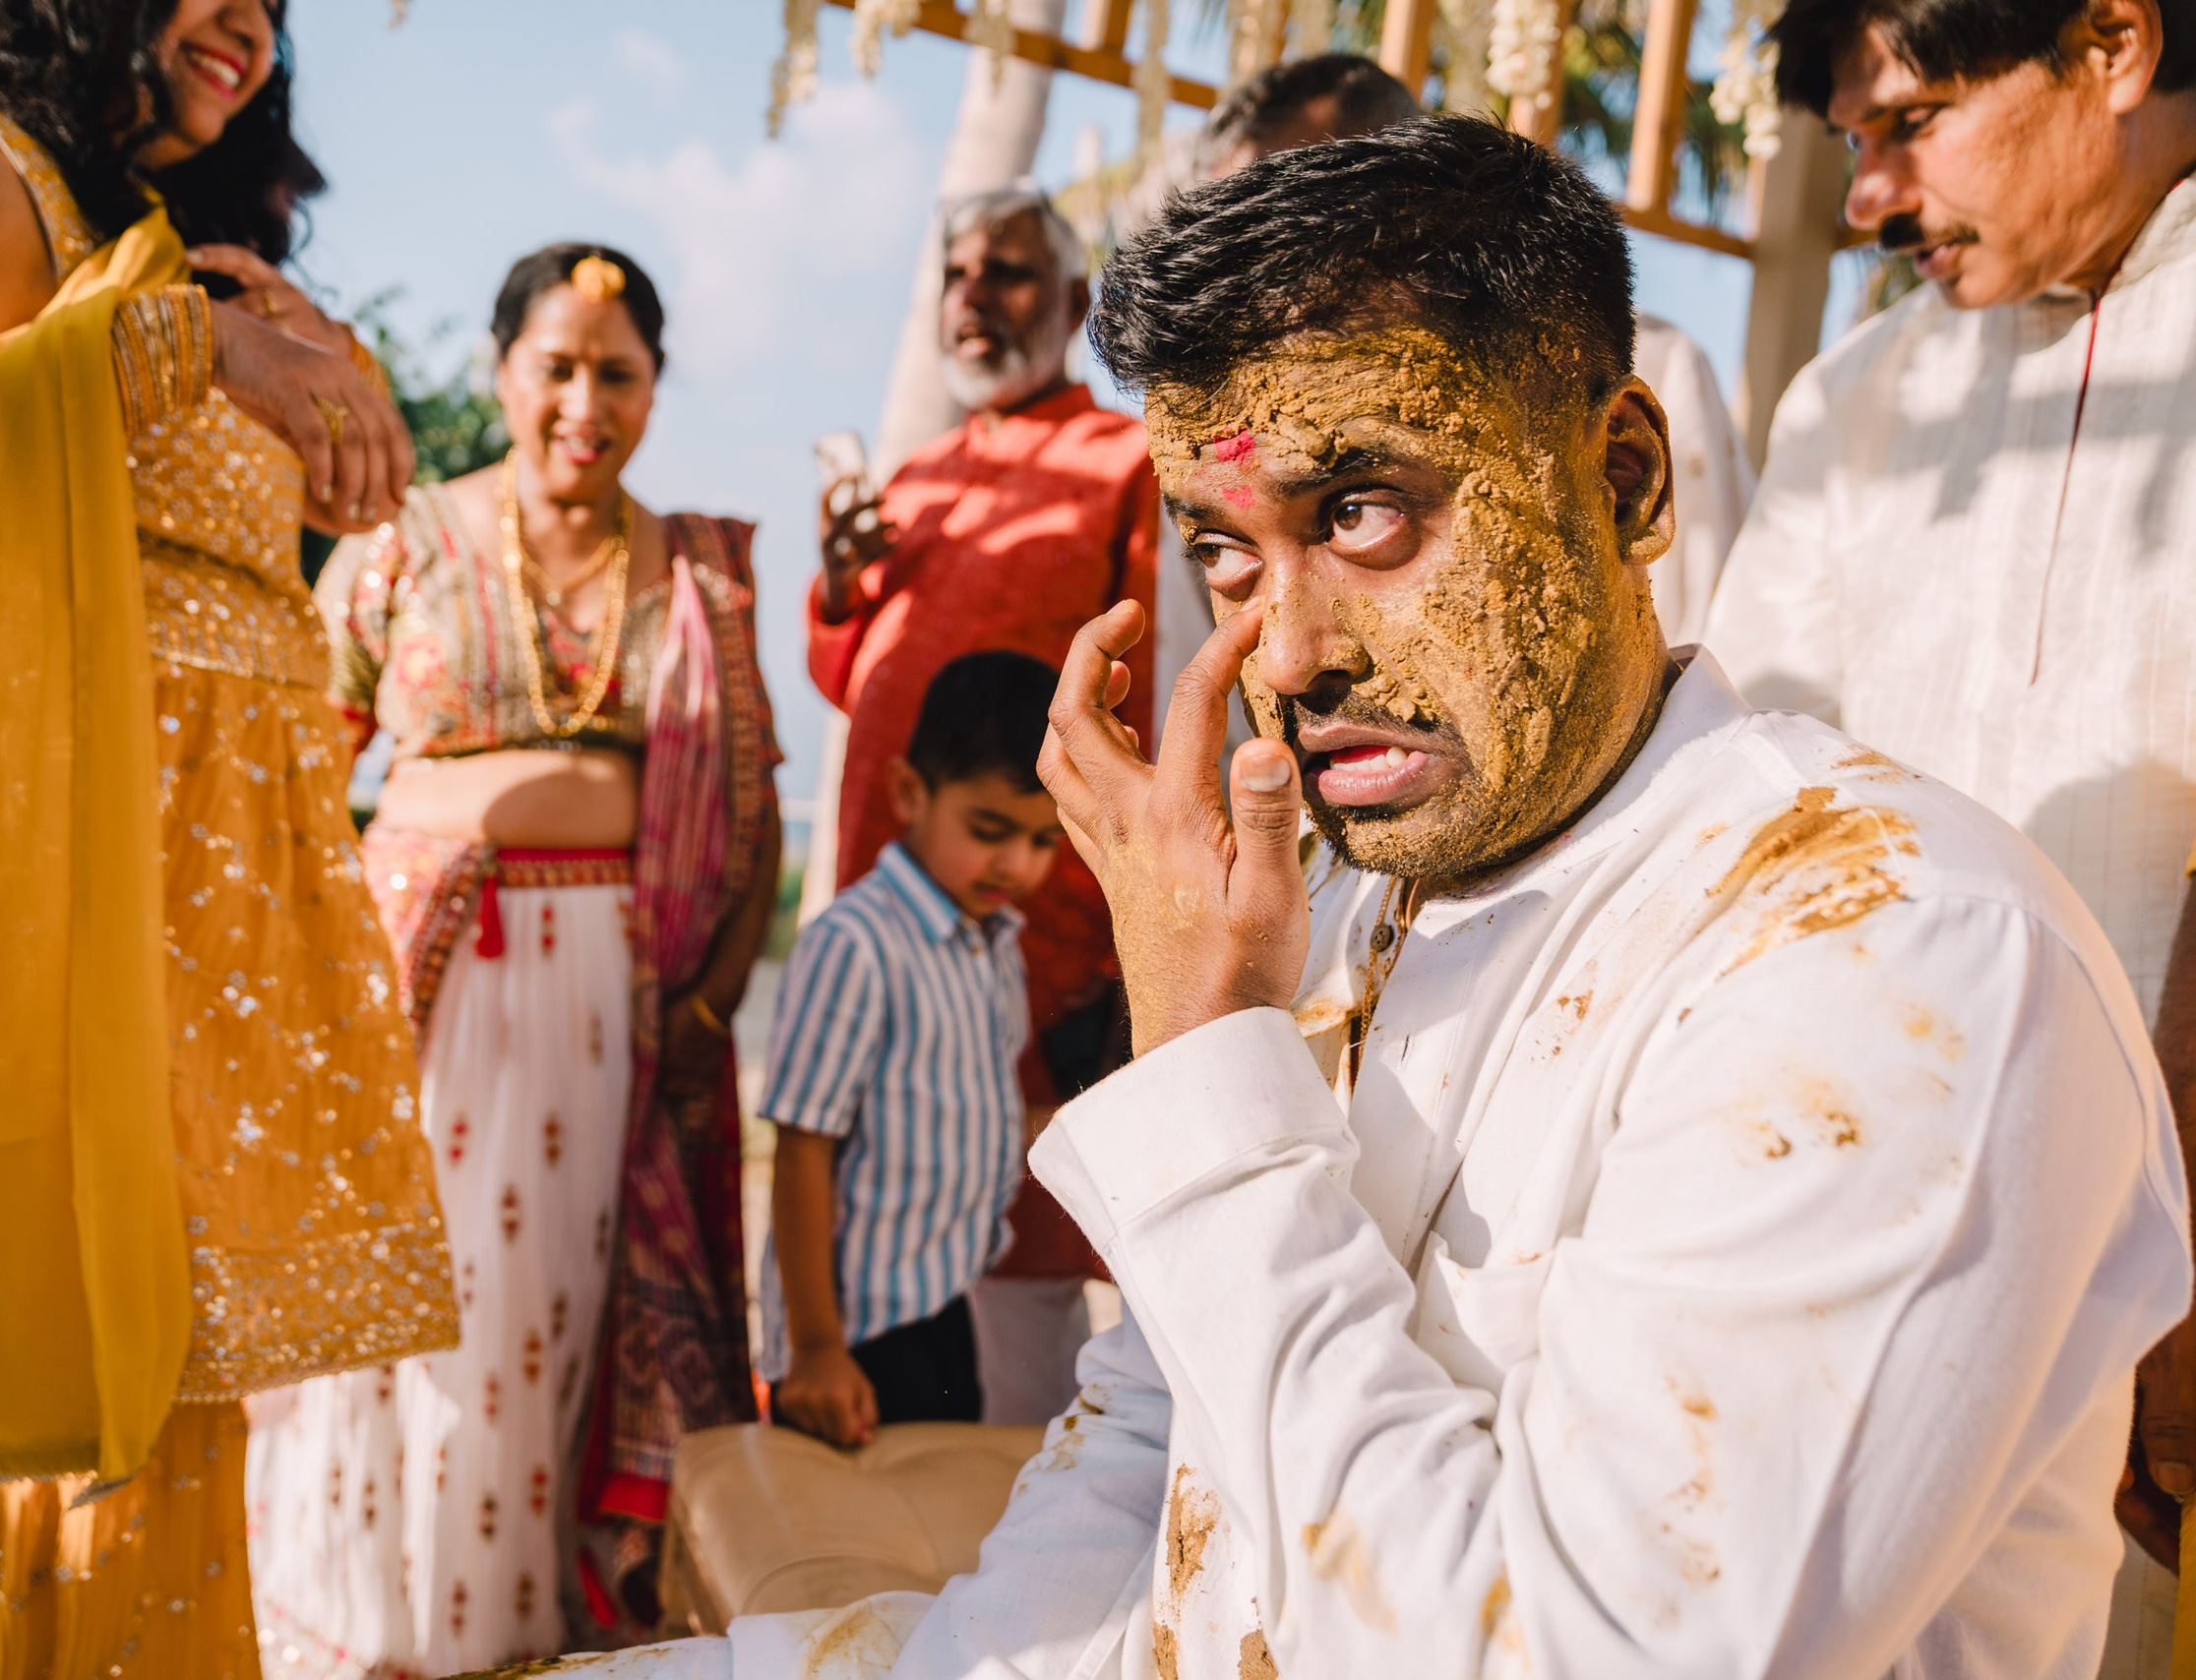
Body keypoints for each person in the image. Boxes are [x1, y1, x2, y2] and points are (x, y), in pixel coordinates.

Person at [473, 115, 2193, 1680]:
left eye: (1362, 509)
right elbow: (1162, 1443)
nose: (1286, 651)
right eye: (1222, 549)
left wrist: (1205, 1052)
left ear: (1628, 478)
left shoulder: (1891, 949)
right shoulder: (1370, 898)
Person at [0, 2, 458, 1674]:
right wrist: (184, 354)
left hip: (198, 899)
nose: (251, 30)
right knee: (89, 1421)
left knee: (151, 1427)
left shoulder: (164, 249)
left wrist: (290, 369)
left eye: (274, 11)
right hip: (47, 874)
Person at [1701, 0, 2196, 1662]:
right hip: (1882, 1243)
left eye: (1905, 121)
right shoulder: (1860, 405)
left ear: (2112, 46)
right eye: (1853, 141)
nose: (1869, 195)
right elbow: (1755, 822)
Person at [245, 241, 779, 1673]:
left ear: (657, 388)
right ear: (503, 374)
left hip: (612, 1006)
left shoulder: (705, 574)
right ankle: (367, 1625)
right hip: (417, 990)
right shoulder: (406, 541)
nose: (584, 401)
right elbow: (296, 759)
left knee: (556, 1318)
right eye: (557, 366)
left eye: (619, 371)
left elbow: (749, 813)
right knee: (411, 1305)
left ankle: (519, 1628)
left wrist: (708, 1002)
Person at [813, 185, 1157, 1427]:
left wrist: (1099, 965)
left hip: (1027, 962)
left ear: (1072, 305)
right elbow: (850, 686)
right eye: (958, 275)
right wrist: (842, 588)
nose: (975, 298)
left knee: (1012, 1367)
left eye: (1008, 275)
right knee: (869, 1325)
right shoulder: (922, 476)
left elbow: (1154, 715)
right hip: (885, 950)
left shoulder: (1124, 464)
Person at [1159, 55, 1754, 735]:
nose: (1256, 252)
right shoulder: (1210, 437)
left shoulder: (1649, 364)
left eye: (1359, 511)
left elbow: (1713, 619)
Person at [762, 651, 1061, 1448]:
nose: (1017, 865)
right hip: (856, 1329)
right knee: (850, 1545)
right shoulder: (855, 946)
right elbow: (801, 1150)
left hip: (940, 1299)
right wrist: (817, 1349)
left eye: (1043, 840)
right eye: (989, 831)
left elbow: (967, 1100)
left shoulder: (996, 942)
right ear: (907, 794)